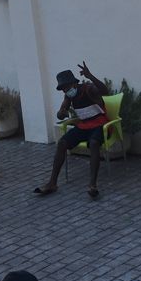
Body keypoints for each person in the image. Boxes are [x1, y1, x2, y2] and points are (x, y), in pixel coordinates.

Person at [34, 62, 110, 199]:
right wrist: (61, 113)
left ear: (74, 83)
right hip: (84, 126)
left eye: (67, 87)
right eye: (63, 89)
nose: (65, 90)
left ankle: (92, 185)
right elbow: (60, 113)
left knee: (94, 143)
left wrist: (90, 76)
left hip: (99, 124)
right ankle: (52, 183)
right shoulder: (69, 96)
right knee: (62, 143)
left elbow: (105, 91)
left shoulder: (88, 89)